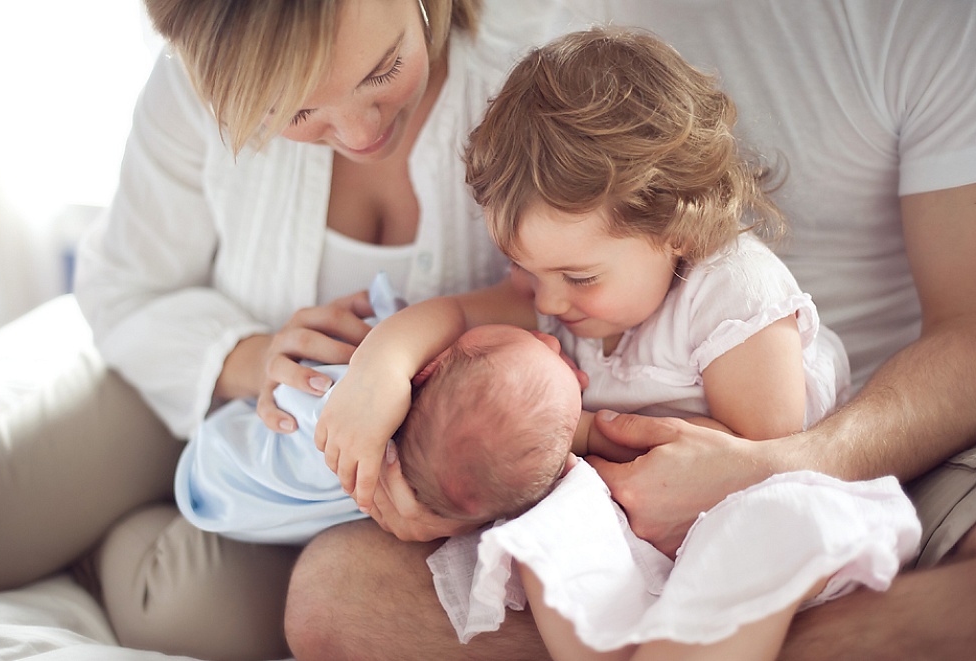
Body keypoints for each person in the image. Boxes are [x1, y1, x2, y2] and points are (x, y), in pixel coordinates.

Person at [286, 1, 976, 660]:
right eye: (526, 267)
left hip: (751, 506)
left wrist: (576, 437)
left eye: (578, 277)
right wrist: (382, 361)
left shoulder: (732, 298)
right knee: (535, 538)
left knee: (753, 539)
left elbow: (753, 459)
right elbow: (466, 313)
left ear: (673, 228)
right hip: (648, 525)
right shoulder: (567, 290)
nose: (545, 300)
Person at [0, 1, 591, 659]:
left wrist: (405, 392)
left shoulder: (539, 64)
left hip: (336, 490)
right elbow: (125, 286)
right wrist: (259, 358)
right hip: (197, 374)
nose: (360, 134)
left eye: (384, 69)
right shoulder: (192, 87)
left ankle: (110, 541)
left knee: (188, 613)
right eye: (296, 114)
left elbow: (579, 297)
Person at [174, 273, 583, 543]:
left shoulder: (360, 412)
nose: (552, 341)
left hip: (211, 480)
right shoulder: (375, 419)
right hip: (233, 506)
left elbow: (440, 318)